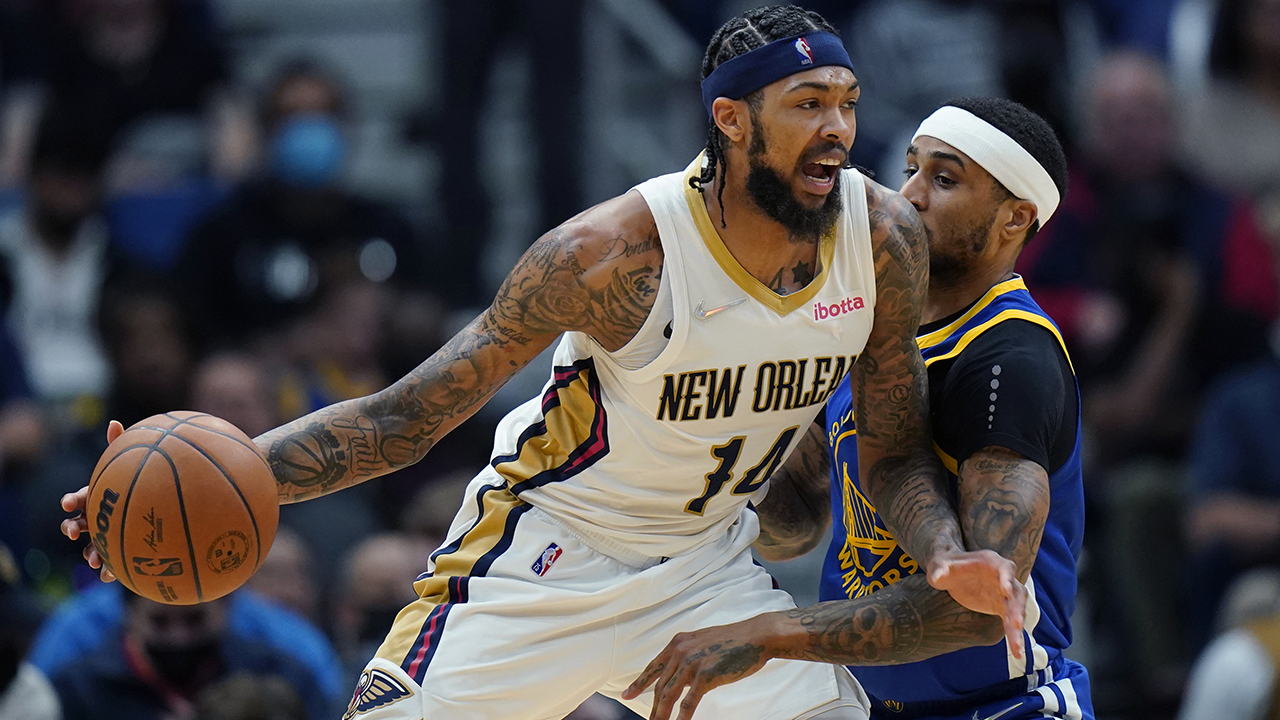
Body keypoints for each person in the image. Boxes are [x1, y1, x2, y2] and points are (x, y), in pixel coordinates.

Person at [63, 6, 1024, 719]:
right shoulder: (610, 255)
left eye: (847, 104)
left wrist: (948, 556)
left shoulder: (882, 239)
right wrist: (214, 478)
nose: (839, 129)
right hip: (542, 558)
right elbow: (404, 419)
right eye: (808, 104)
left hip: (703, 570)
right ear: (732, 120)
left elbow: (892, 451)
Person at [628, 98, 1092, 720]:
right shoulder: (871, 328)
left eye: (944, 180)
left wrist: (768, 636)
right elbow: (796, 523)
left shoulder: (1009, 359)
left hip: (1007, 706)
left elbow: (978, 612)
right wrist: (704, 438)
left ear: (1015, 218)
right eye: (911, 169)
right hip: (872, 704)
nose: (910, 195)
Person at [48, 591, 334, 720]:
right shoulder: (78, 691)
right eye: (160, 622)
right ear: (128, 614)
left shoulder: (283, 677)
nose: (179, 637)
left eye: (195, 619)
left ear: (226, 607)